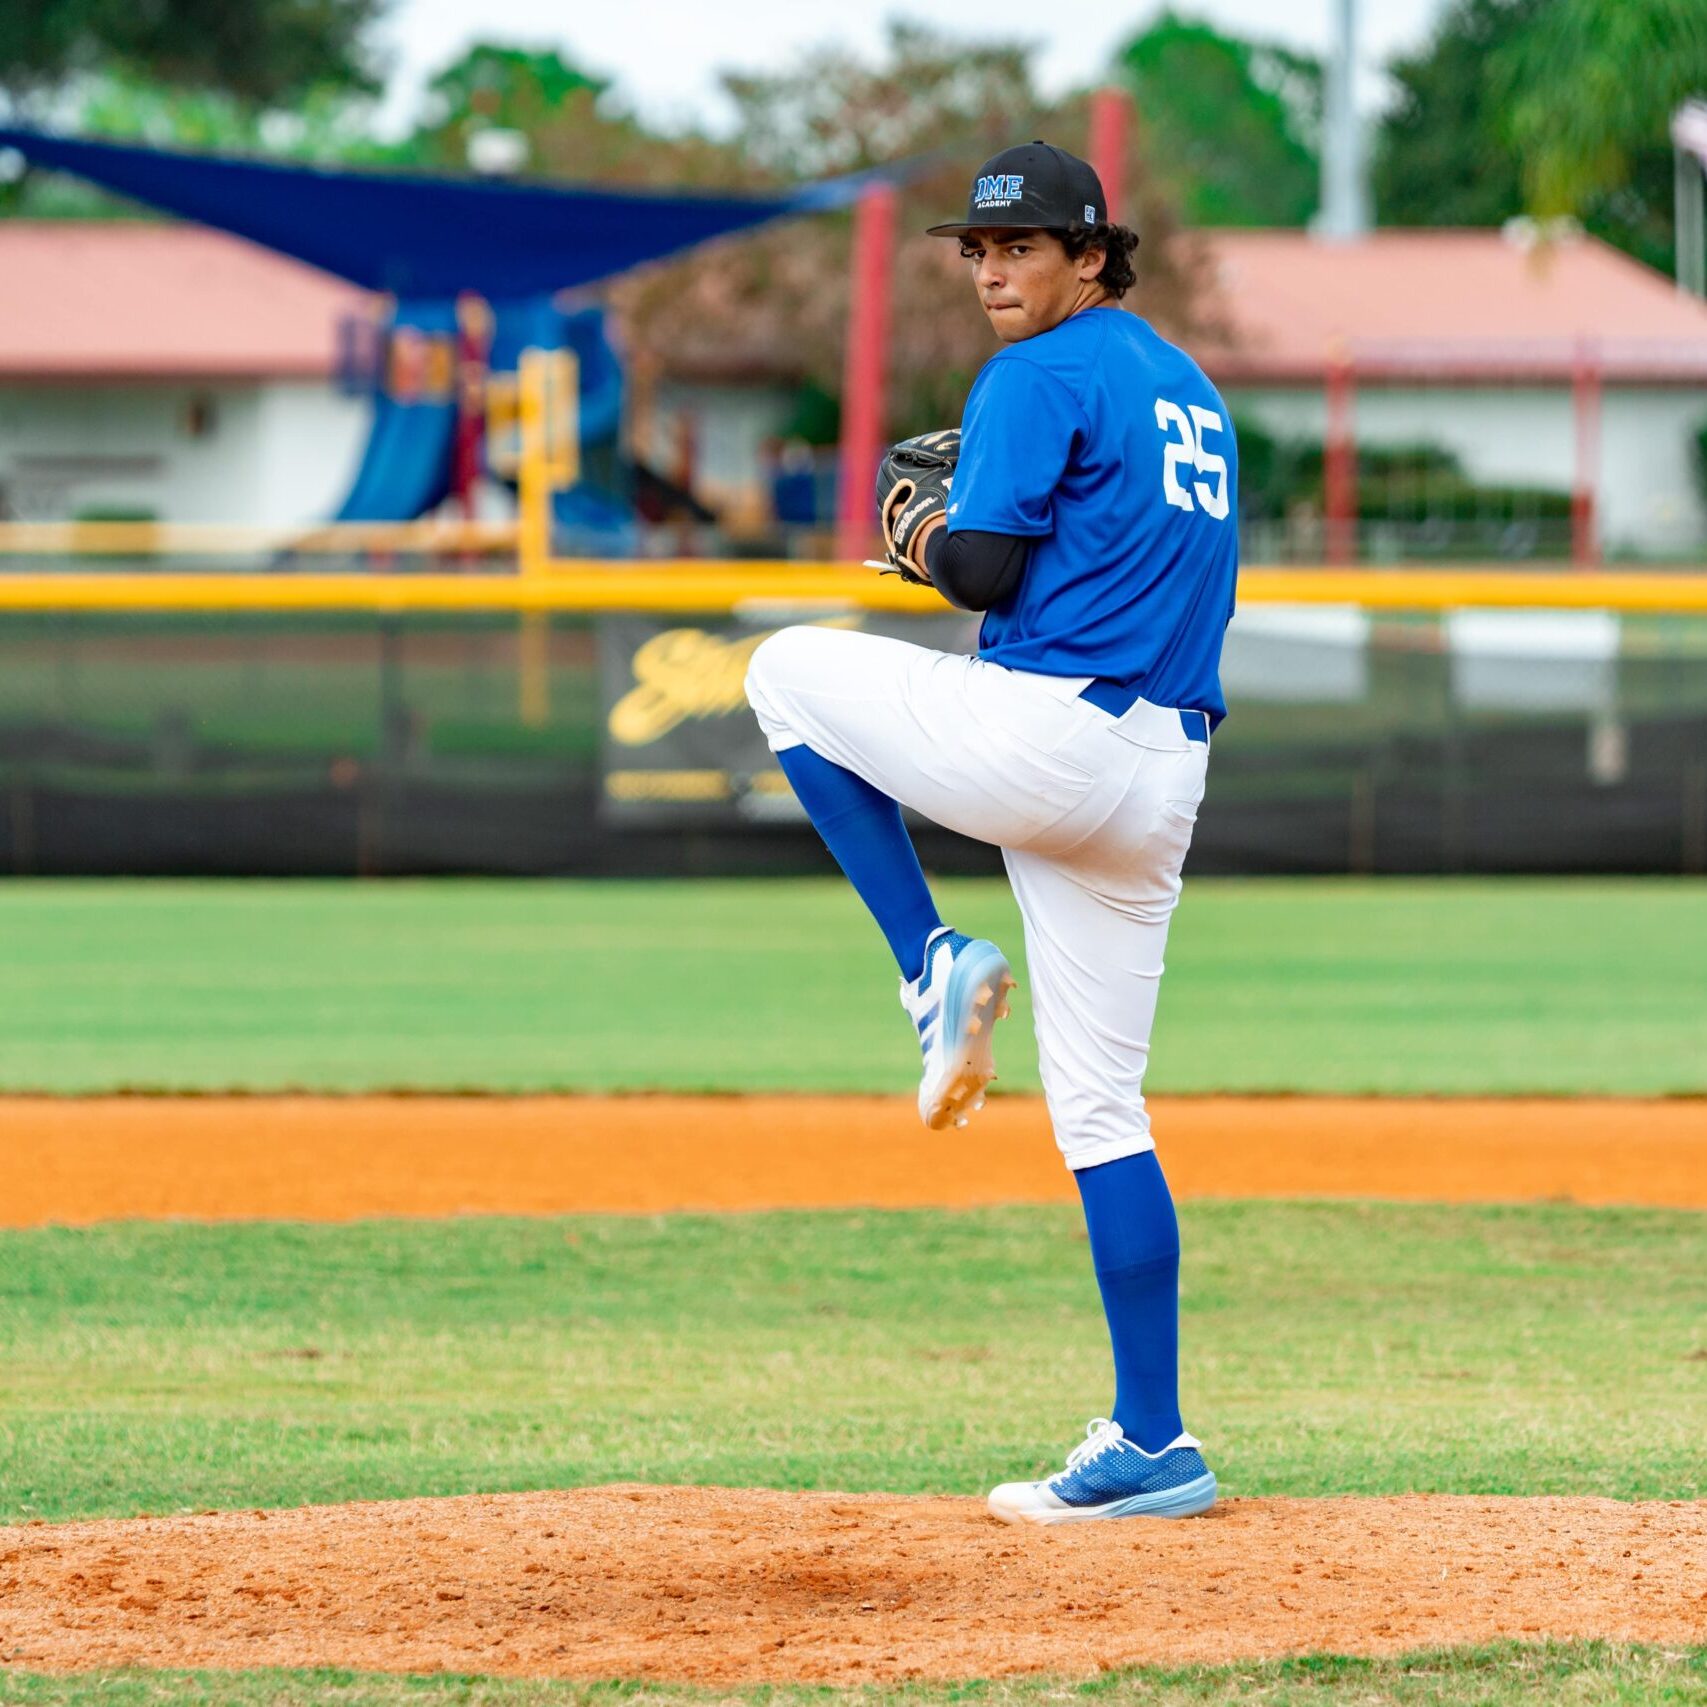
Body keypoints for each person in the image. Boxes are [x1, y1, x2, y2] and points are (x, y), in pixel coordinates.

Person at [743, 140, 1238, 1524]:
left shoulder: (1036, 374)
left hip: (1058, 734)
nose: (994, 271)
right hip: (1164, 771)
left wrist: (918, 538)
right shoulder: (1187, 389)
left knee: (785, 674)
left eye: (1023, 248)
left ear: (1093, 256)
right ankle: (1155, 1442)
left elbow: (983, 567)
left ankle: (926, 961)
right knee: (1100, 1109)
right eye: (979, 250)